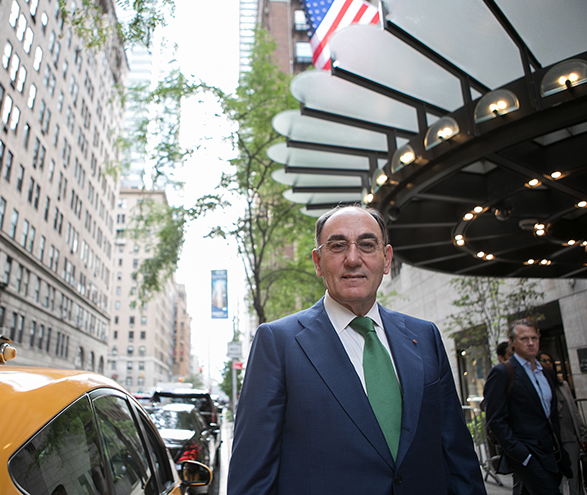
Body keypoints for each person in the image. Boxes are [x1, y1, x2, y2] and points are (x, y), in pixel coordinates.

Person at [227, 205, 486, 495]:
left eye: (366, 245)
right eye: (337, 246)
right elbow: (252, 478)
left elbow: (457, 456)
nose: (353, 259)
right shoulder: (277, 343)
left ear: (386, 259)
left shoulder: (424, 337)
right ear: (318, 261)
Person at [483, 319, 572, 495]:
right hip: (528, 454)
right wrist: (522, 455)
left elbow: (550, 415)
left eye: (534, 338)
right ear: (512, 343)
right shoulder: (503, 373)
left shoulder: (546, 372)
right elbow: (495, 420)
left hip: (551, 453)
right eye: (524, 339)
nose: (531, 343)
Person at [538, 351, 587, 495]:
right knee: (555, 481)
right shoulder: (540, 387)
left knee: (574, 480)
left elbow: (574, 411)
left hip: (571, 438)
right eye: (543, 360)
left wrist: (583, 434)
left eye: (549, 360)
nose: (547, 363)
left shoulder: (563, 385)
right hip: (552, 441)